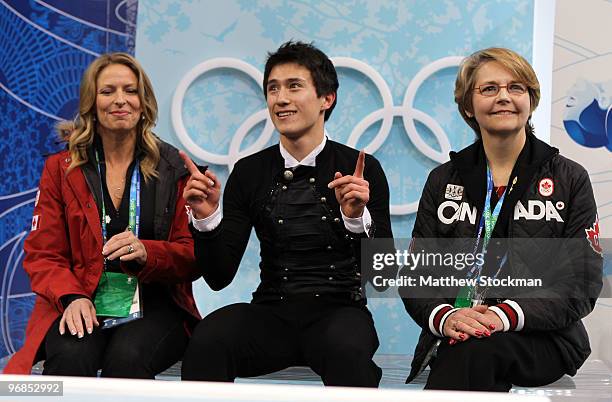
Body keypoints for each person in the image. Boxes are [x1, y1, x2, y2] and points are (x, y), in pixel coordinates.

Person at [179, 41, 392, 387]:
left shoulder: (360, 169)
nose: (281, 99)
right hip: (271, 311)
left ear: (327, 99)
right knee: (209, 339)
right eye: (273, 88)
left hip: (341, 313)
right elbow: (219, 277)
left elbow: (381, 277)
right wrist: (206, 219)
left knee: (347, 351)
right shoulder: (249, 172)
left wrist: (355, 219)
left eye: (294, 86)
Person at [401, 47, 603, 391]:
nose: (504, 97)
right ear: (468, 105)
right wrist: (446, 316)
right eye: (489, 89)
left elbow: (581, 283)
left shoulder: (570, 178)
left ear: (531, 100)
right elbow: (417, 275)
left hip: (544, 337)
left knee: (475, 352)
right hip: (460, 330)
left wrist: (503, 314)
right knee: (468, 350)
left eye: (516, 88)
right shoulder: (443, 179)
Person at [3, 53, 201, 377]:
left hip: (154, 303)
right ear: (91, 103)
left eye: (131, 90)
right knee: (70, 357)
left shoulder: (173, 167)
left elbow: (191, 255)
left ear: (144, 102)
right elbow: (43, 253)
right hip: (81, 297)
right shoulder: (61, 168)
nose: (120, 100)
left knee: (127, 358)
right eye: (108, 91)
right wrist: (71, 297)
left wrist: (149, 253)